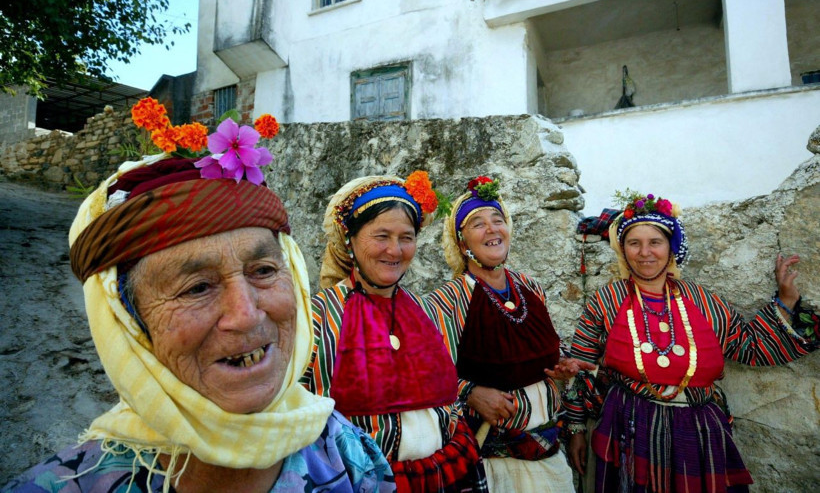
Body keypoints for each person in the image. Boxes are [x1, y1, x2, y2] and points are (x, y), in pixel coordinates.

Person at [3, 111, 394, 492]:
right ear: (127, 321)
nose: (245, 315)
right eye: (196, 288)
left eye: (263, 271)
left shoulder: (352, 458)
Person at [563, 191, 819, 493]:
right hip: (629, 427)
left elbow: (749, 347)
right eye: (634, 243)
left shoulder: (701, 300)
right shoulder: (608, 300)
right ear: (624, 250)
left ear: (670, 248)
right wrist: (576, 429)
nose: (645, 252)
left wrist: (787, 302)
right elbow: (579, 367)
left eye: (655, 242)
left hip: (697, 432)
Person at [300, 174, 489, 493]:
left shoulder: (427, 309)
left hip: (448, 475)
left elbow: (447, 395)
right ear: (350, 240)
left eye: (406, 237)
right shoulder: (315, 317)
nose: (395, 250)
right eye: (381, 236)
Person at [425, 176, 593, 492]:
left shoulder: (531, 288)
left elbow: (553, 356)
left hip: (549, 453)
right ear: (461, 242)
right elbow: (430, 377)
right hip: (491, 462)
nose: (491, 229)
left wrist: (563, 373)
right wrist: (470, 392)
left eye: (497, 220)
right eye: (477, 224)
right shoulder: (447, 301)